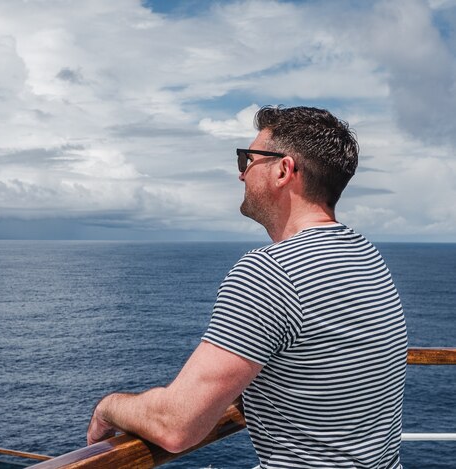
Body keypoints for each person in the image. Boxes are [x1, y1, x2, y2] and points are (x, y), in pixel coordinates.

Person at [87, 106, 408, 469]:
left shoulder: (270, 272)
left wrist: (108, 407)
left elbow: (175, 426)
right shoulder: (365, 255)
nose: (240, 175)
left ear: (283, 170)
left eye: (247, 159)